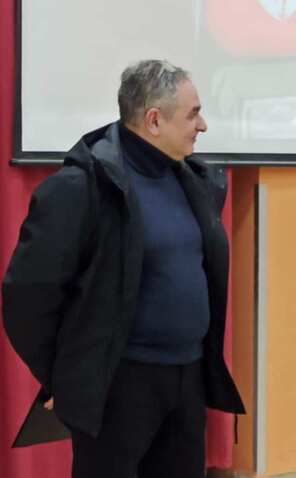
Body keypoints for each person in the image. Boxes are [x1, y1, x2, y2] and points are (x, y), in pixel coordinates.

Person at [2, 59, 245, 478]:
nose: (202, 125)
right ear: (154, 120)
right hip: (118, 386)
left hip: (187, 381)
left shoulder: (195, 180)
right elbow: (27, 295)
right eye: (193, 114)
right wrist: (65, 377)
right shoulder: (81, 187)